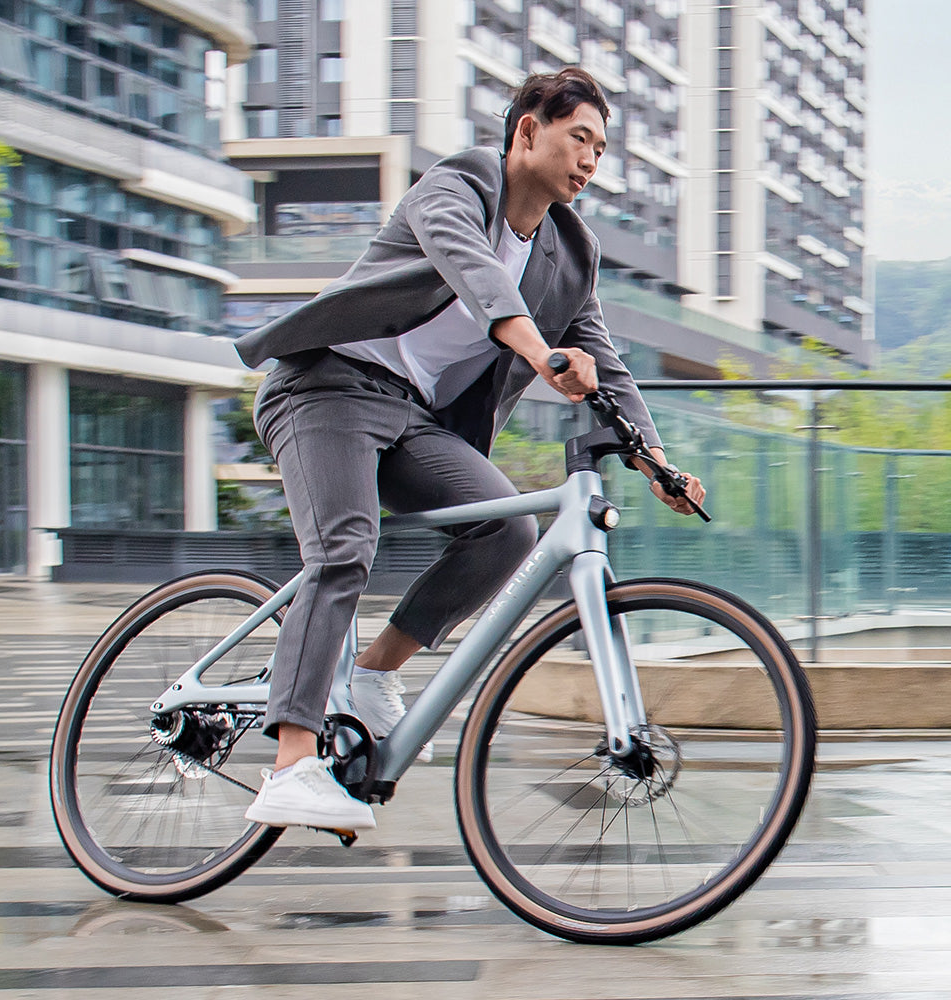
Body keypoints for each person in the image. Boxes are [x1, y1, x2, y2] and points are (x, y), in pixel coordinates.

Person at [235, 68, 706, 831]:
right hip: (326, 386)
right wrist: (537, 349)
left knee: (508, 529)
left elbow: (604, 357)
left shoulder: (568, 249)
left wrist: (657, 461)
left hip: (409, 415)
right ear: (527, 132)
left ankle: (369, 670)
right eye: (578, 138)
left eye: (601, 147)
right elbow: (475, 273)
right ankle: (290, 765)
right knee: (345, 548)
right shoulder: (458, 184)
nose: (591, 160)